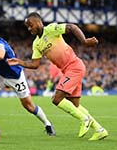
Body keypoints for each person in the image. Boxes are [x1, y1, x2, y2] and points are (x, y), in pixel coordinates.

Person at [7, 12, 108, 141]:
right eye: (27, 27)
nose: (29, 29)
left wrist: (84, 41)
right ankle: (100, 130)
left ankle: (84, 119)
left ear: (38, 22)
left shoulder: (51, 29)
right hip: (68, 71)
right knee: (75, 105)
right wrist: (19, 62)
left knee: (56, 99)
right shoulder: (36, 44)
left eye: (31, 25)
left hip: (74, 66)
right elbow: (35, 64)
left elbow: (72, 27)